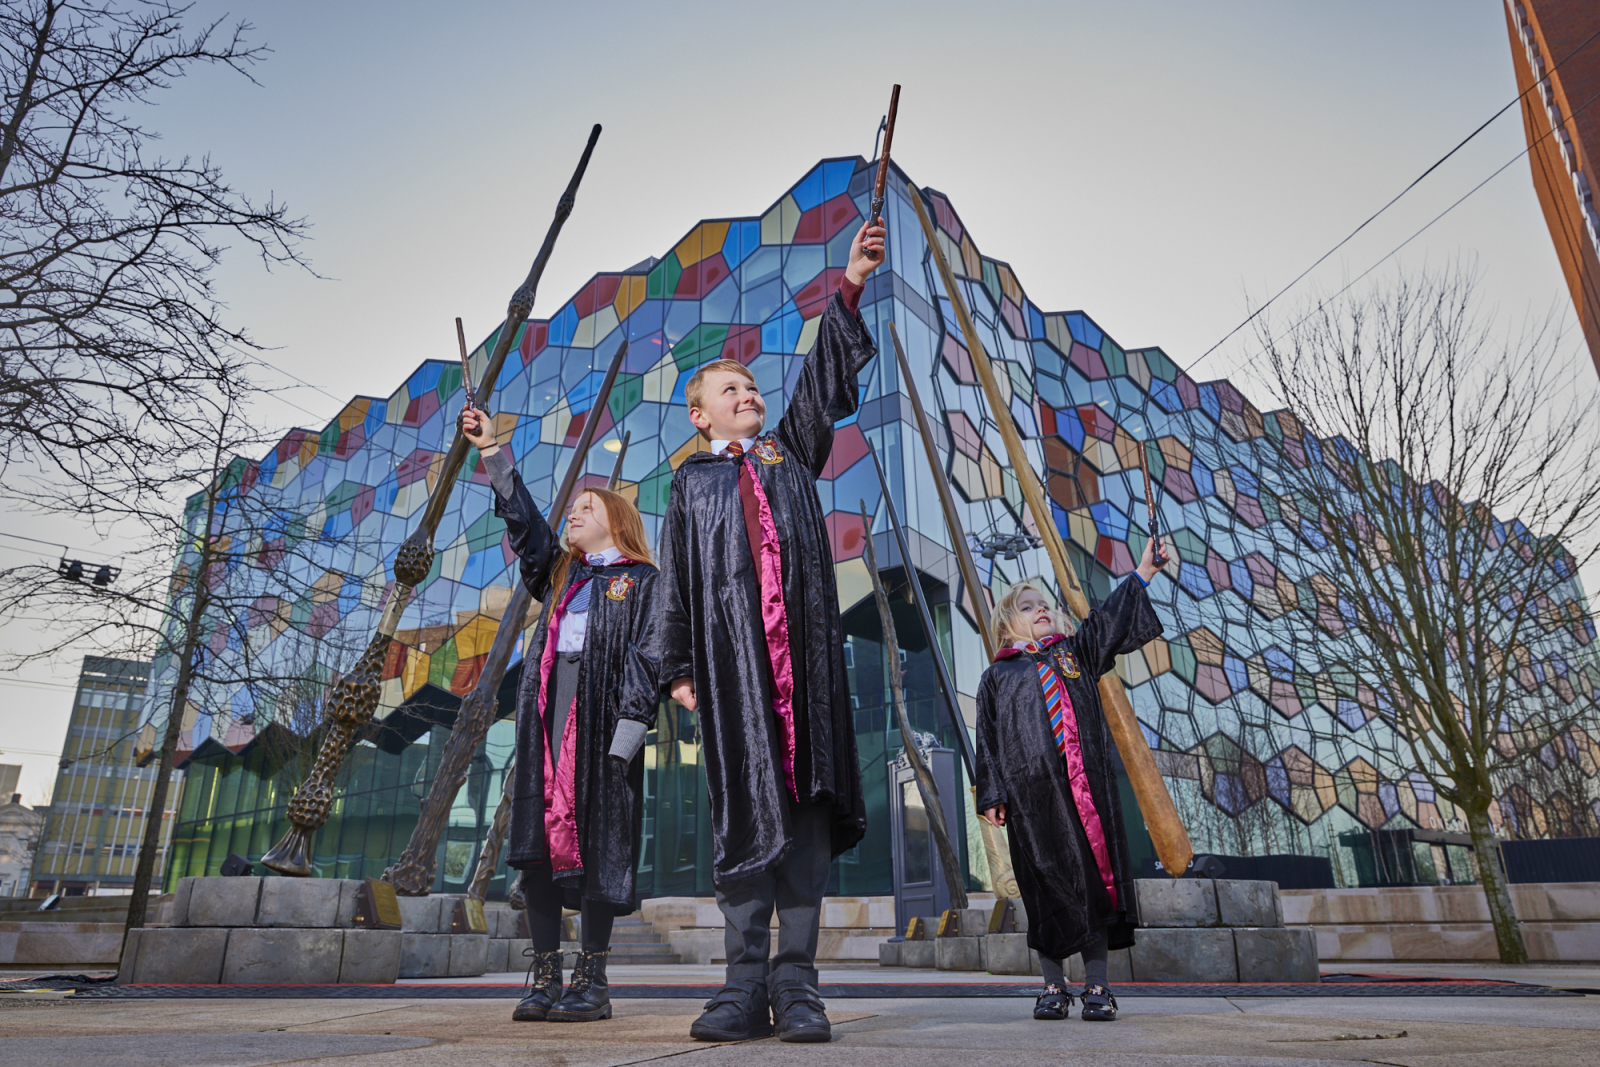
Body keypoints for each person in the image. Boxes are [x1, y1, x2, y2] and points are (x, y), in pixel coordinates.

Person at [654, 216, 886, 1043]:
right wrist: (675, 666)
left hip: (806, 674)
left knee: (804, 823)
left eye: (753, 388)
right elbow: (674, 581)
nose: (749, 396)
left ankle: (797, 985)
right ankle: (741, 985)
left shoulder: (789, 452)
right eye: (732, 390)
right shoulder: (690, 489)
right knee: (743, 821)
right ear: (698, 413)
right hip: (734, 675)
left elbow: (823, 380)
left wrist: (850, 278)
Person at [461, 403, 660, 1024]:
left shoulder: (645, 580)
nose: (573, 514)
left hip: (605, 728)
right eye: (571, 509)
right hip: (547, 722)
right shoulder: (560, 577)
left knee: (600, 845)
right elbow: (524, 524)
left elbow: (651, 657)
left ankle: (592, 983)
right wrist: (492, 450)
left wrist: (628, 734)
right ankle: (544, 978)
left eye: (586, 509)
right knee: (535, 849)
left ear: (617, 522)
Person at [975, 538, 1168, 1023]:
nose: (1040, 610)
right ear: (1007, 624)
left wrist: (1143, 571)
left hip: (1085, 795)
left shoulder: (1075, 654)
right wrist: (993, 792)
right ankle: (1053, 986)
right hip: (1031, 801)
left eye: (1045, 604)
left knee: (1094, 881)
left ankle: (1098, 985)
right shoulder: (998, 677)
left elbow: (1107, 622)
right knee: (1043, 884)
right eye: (1027, 606)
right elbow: (989, 741)